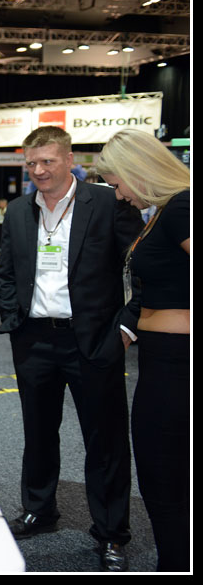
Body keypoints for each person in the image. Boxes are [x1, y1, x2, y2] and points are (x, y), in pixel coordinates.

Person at [0, 125, 143, 572]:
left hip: (95, 341)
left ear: (70, 158)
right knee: (39, 432)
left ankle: (112, 532)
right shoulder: (19, 211)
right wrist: (13, 319)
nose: (38, 171)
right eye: (31, 163)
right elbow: (7, 271)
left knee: (106, 440)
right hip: (35, 340)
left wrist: (127, 328)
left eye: (47, 162)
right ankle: (39, 510)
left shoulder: (107, 202)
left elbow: (144, 266)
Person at [96, 129, 190, 572]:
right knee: (166, 480)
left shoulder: (182, 207)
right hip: (160, 360)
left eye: (118, 183)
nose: (119, 194)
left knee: (164, 481)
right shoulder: (165, 212)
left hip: (177, 366)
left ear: (138, 170)